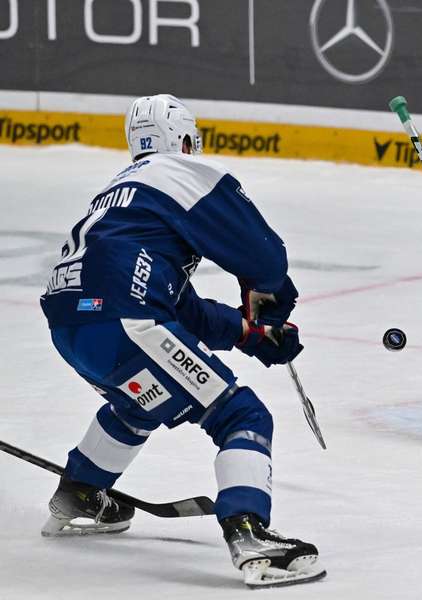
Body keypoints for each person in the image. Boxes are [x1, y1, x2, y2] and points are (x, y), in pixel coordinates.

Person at [39, 94, 325, 587]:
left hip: (72, 326)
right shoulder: (179, 172)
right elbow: (264, 257)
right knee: (241, 414)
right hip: (126, 321)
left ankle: (82, 492)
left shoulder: (122, 195)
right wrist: (270, 300)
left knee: (141, 402)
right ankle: (249, 533)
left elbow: (179, 306)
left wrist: (246, 332)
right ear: (187, 141)